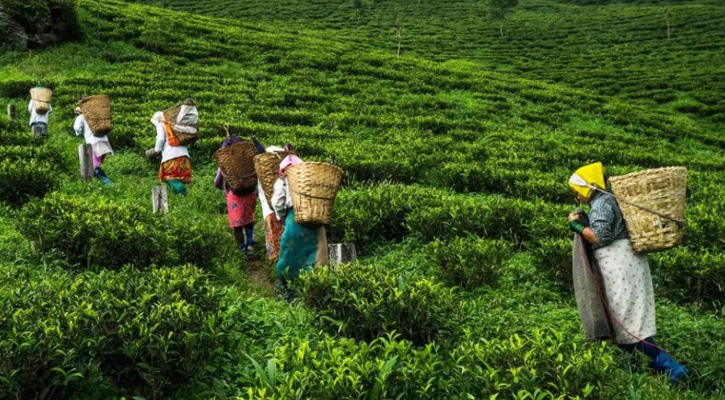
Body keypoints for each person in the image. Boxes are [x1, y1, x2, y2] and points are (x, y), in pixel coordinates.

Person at [567, 162, 687, 384]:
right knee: (623, 319)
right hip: (623, 264)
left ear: (588, 186)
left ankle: (671, 367)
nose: (575, 195)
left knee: (626, 321)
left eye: (577, 190)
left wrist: (575, 225)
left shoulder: (603, 203)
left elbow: (600, 236)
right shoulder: (606, 200)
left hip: (619, 266)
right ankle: (631, 369)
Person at [272, 145, 328, 300]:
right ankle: (313, 292)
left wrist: (282, 216)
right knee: (316, 256)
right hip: (315, 221)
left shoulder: (282, 181)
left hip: (294, 220)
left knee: (288, 256)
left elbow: (278, 203)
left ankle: (288, 291)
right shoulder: (311, 179)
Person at [213, 135, 257, 253]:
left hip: (235, 196)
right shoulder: (248, 160)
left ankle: (241, 246)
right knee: (249, 218)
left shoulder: (226, 165)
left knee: (237, 222)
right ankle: (250, 241)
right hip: (251, 194)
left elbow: (217, 183)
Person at [147, 111, 191, 195]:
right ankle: (179, 198)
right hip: (184, 157)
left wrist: (156, 150)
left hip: (172, 157)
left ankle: (182, 193)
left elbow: (161, 138)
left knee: (168, 176)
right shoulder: (173, 126)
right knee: (177, 178)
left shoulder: (162, 124)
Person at [258, 145, 286, 262]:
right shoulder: (282, 174)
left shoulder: (262, 169)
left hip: (269, 211)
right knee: (281, 238)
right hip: (282, 211)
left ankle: (274, 262)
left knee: (273, 238)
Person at [74, 105, 113, 186]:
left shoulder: (81, 117)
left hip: (94, 143)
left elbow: (77, 129)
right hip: (105, 142)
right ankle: (94, 183)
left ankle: (108, 183)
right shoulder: (96, 115)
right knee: (95, 165)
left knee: (95, 166)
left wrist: (80, 133)